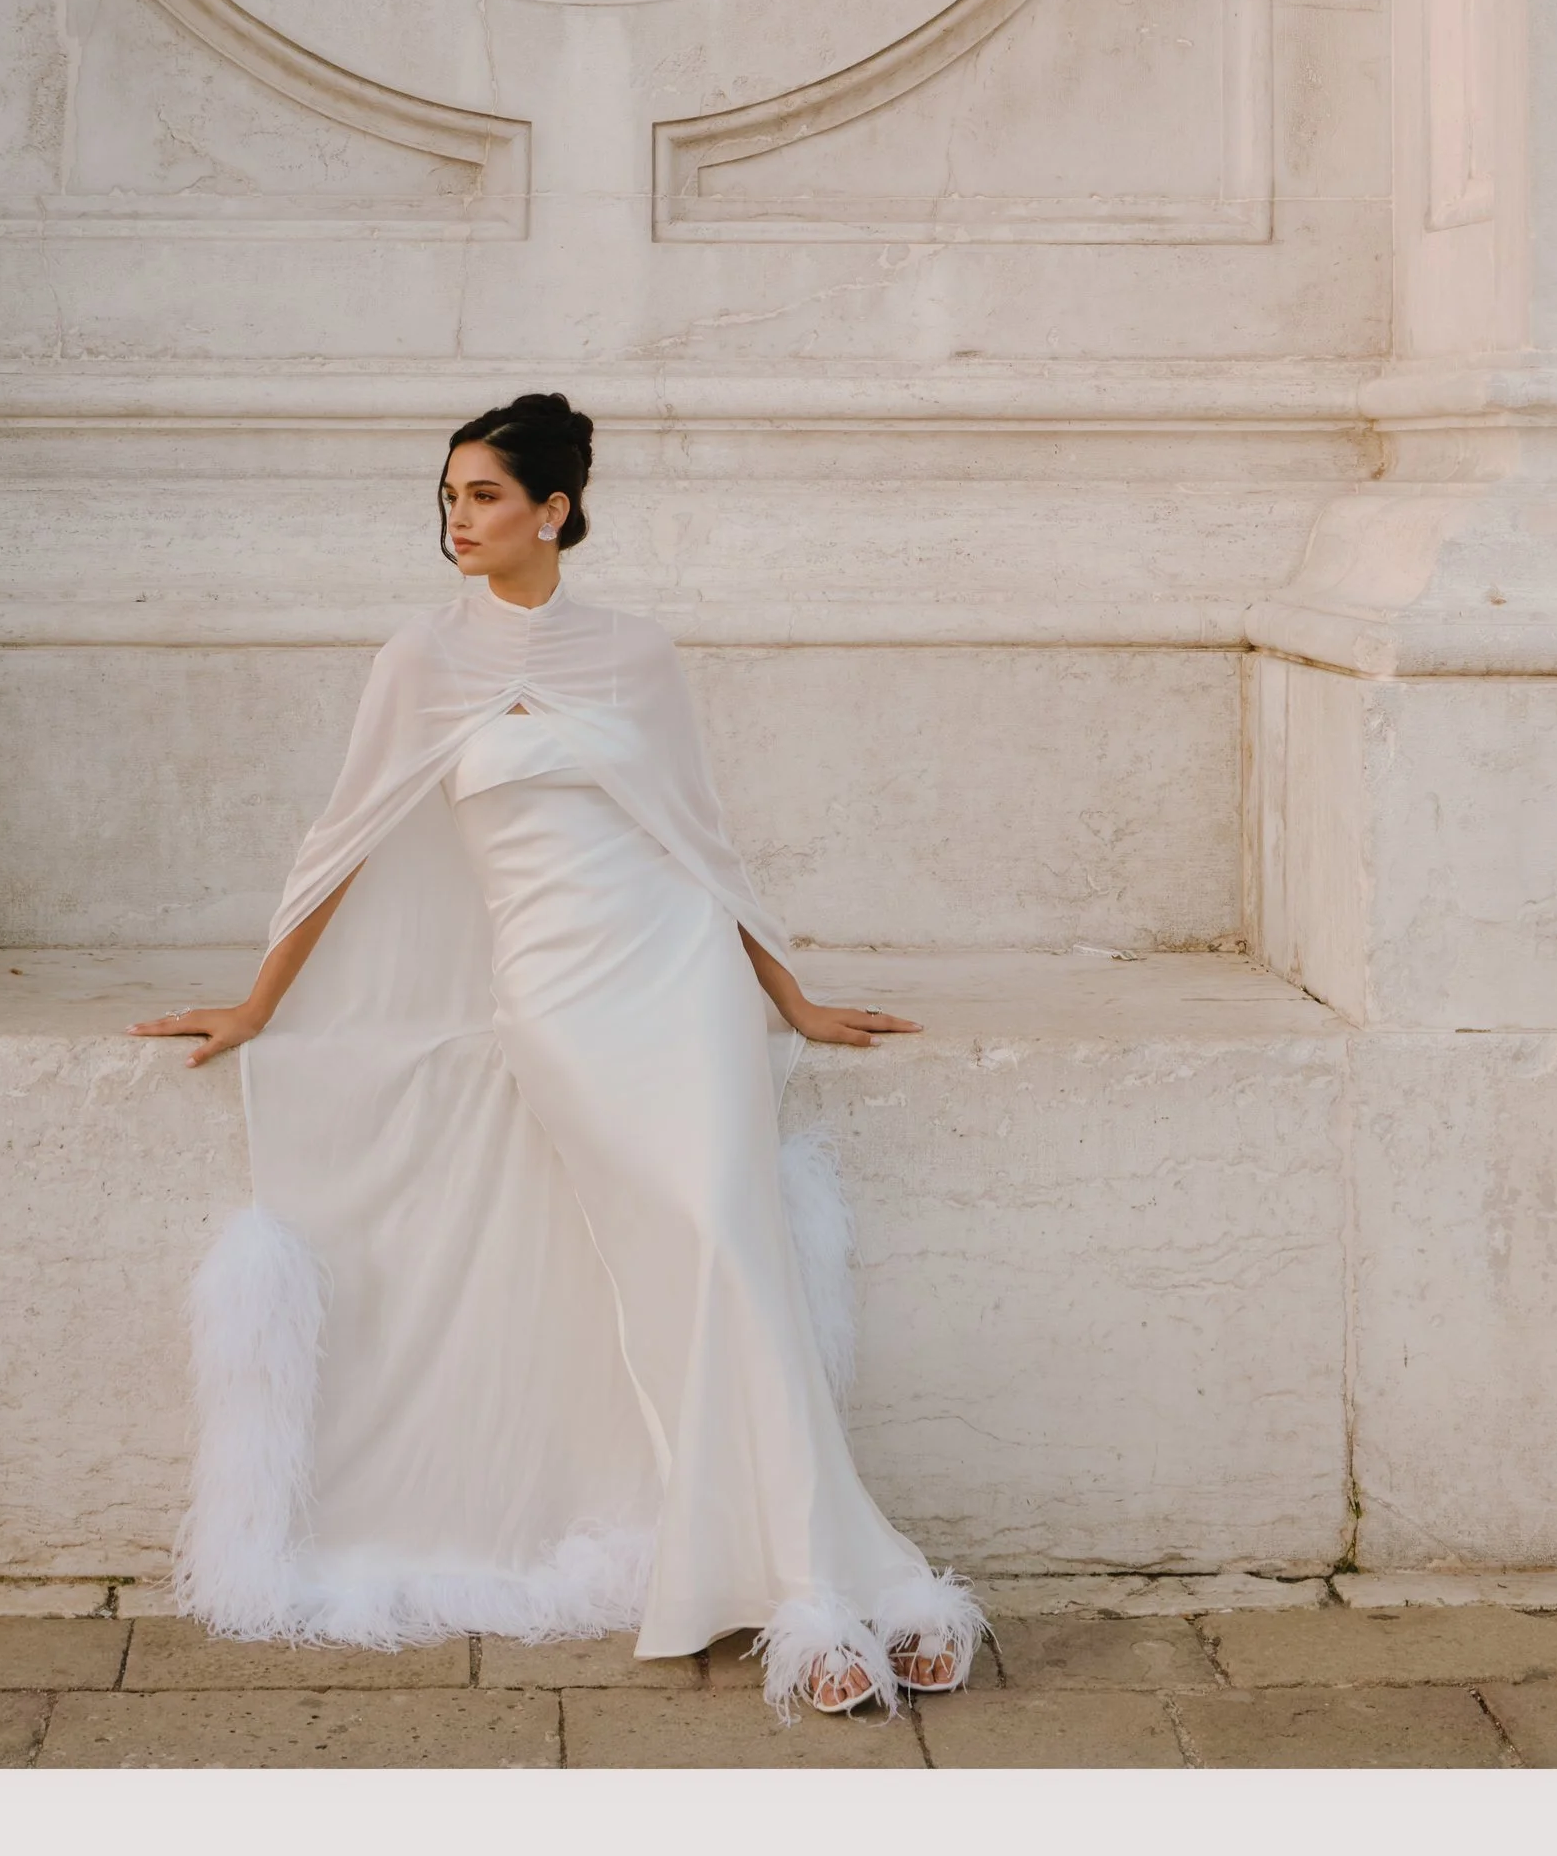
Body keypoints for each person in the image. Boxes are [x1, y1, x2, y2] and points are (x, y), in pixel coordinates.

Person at [131, 391, 983, 1716]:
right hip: (563, 1005)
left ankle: (824, 1597)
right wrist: (253, 1004)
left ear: (555, 510)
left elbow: (702, 839)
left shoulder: (638, 654)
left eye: (480, 496)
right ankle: (836, 1587)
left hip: (681, 971)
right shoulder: (420, 659)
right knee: (697, 1251)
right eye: (448, 498)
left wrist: (791, 999)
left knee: (729, 1238)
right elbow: (339, 839)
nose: (456, 519)